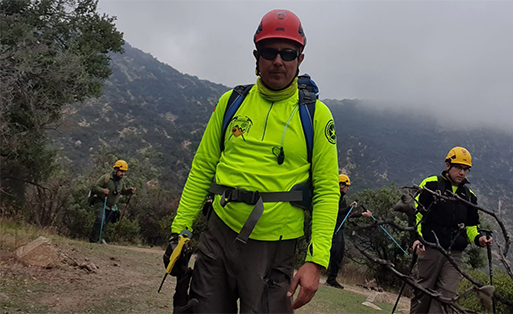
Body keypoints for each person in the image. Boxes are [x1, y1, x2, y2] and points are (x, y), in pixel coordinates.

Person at [164, 9, 339, 313]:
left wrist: (316, 260)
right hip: (219, 233)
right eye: (270, 52)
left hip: (275, 245)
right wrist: (180, 229)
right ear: (256, 55)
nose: (278, 60)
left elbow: (326, 190)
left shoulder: (316, 115)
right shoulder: (232, 102)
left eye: (288, 52)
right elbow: (203, 168)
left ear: (300, 58)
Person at [409, 147, 492, 314]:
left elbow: (471, 226)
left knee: (447, 297)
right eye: (459, 168)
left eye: (465, 169)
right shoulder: (430, 184)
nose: (462, 173)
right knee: (423, 293)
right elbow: (415, 214)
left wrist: (478, 239)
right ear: (448, 165)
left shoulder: (469, 196)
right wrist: (415, 239)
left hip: (454, 254)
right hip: (430, 248)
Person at [326, 174, 372, 289]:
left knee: (338, 254)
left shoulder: (342, 199)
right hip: (332, 229)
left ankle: (332, 279)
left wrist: (362, 214)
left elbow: (347, 215)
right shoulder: (333, 197)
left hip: (339, 229)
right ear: (340, 185)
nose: (348, 188)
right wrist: (349, 207)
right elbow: (335, 212)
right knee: (333, 253)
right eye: (346, 186)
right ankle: (327, 278)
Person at [88, 160, 135, 243]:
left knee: (104, 223)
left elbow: (122, 191)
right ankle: (93, 240)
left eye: (124, 172)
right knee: (100, 219)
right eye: (121, 171)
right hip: (100, 201)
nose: (122, 173)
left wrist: (129, 191)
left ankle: (98, 238)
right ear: (116, 170)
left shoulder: (121, 181)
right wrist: (103, 190)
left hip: (110, 205)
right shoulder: (106, 178)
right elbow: (94, 187)